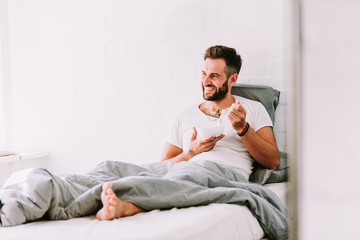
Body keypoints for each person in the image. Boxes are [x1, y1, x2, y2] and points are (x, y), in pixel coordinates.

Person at [95, 45, 280, 220]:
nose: (206, 81)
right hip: (185, 169)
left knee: (190, 175)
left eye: (214, 76)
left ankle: (131, 206)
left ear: (232, 80)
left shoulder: (253, 109)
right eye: (204, 74)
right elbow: (165, 166)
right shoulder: (185, 115)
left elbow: (273, 161)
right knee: (112, 169)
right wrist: (191, 153)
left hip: (222, 175)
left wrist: (243, 129)